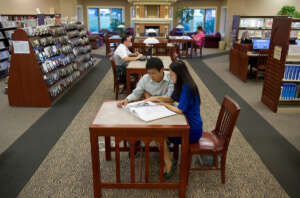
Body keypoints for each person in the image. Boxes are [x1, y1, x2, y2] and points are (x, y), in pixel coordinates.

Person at [146, 60, 203, 179]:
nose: (171, 78)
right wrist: (156, 98)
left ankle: (169, 163)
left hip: (192, 129)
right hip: (186, 122)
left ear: (179, 74)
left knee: (158, 135)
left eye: (172, 75)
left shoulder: (188, 87)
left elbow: (180, 110)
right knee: (160, 132)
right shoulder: (182, 84)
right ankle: (167, 152)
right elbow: (171, 99)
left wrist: (163, 105)